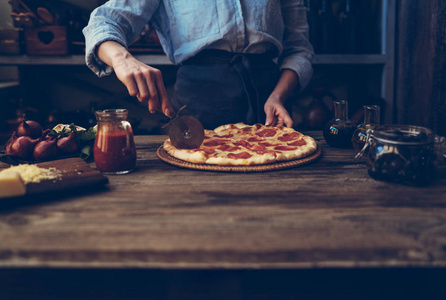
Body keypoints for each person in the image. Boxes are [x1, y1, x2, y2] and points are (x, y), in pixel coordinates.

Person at [83, 0, 313, 129]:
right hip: (199, 101)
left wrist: (278, 97)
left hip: (272, 100)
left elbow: (299, 50)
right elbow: (105, 21)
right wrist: (122, 58)